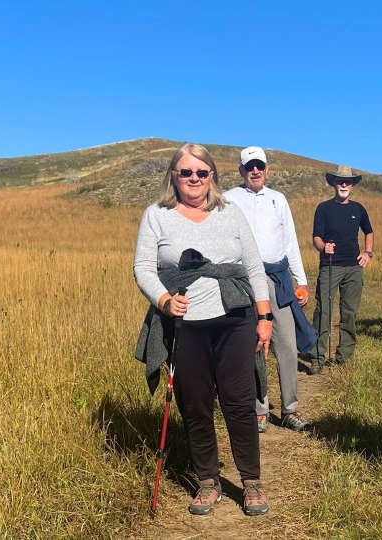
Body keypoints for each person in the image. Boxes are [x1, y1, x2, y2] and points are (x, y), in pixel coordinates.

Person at [133, 143, 272, 517]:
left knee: (239, 402)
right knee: (194, 404)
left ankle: (251, 482)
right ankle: (207, 481)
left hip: (235, 319)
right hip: (185, 324)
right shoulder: (156, 215)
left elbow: (254, 269)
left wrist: (264, 318)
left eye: (201, 172)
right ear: (173, 176)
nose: (193, 179)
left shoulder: (231, 213)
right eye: (185, 172)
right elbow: (143, 268)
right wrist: (164, 300)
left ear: (212, 176)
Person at [224, 146, 315, 434]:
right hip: (246, 280)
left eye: (259, 166)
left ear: (266, 169)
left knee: (287, 343)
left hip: (278, 278)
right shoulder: (228, 199)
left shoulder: (278, 199)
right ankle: (259, 410)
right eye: (249, 166)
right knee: (255, 344)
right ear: (241, 170)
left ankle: (290, 409)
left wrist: (301, 280)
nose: (255, 171)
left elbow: (289, 242)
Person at [310, 164, 374, 374]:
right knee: (323, 312)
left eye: (347, 181)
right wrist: (323, 247)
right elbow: (316, 237)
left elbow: (369, 232)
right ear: (334, 184)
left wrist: (368, 253)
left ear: (352, 185)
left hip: (354, 267)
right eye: (340, 181)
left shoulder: (358, 209)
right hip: (330, 267)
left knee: (349, 312)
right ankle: (318, 357)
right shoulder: (324, 208)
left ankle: (344, 356)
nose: (344, 184)